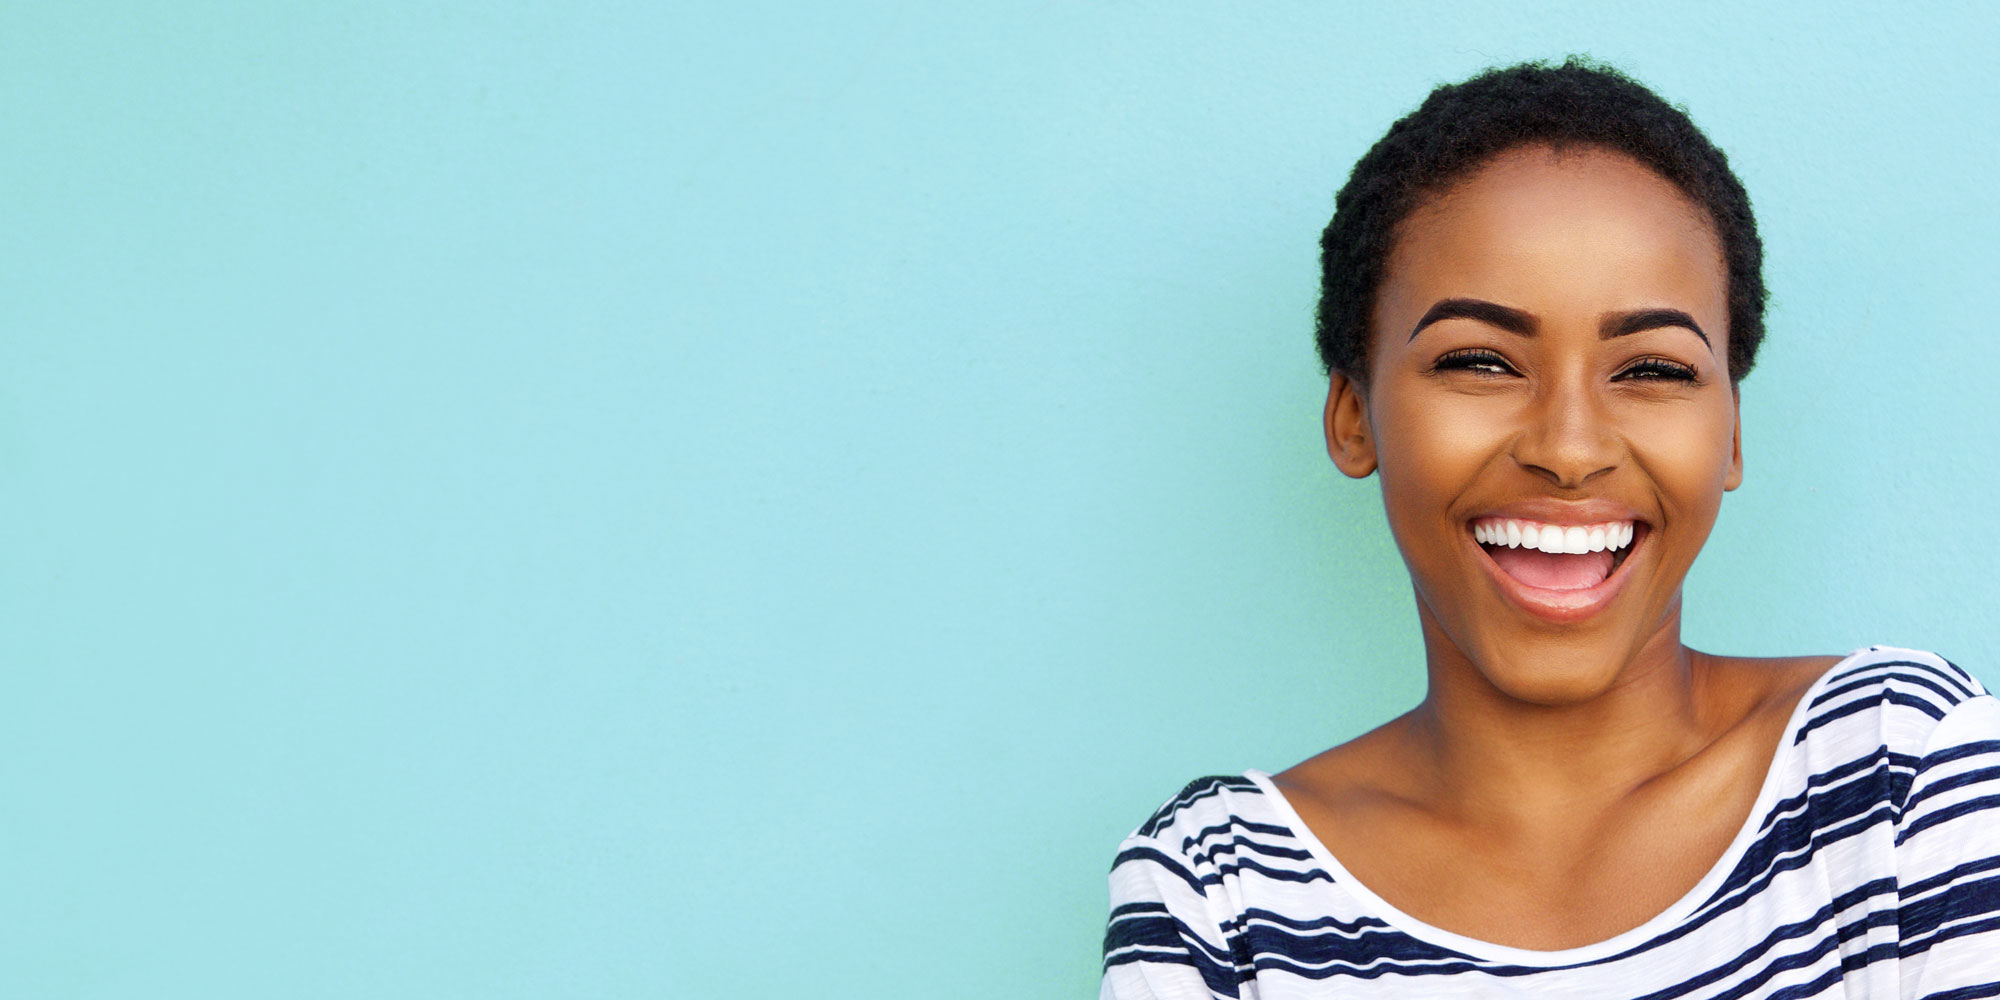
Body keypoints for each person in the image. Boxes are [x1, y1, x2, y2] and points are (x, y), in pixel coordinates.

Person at [1098, 58, 2000, 999]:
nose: (1570, 449)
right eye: (1482, 360)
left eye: (1652, 370)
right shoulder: (1218, 894)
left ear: (1730, 433)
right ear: (1353, 416)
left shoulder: (1901, 775)